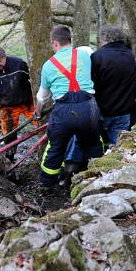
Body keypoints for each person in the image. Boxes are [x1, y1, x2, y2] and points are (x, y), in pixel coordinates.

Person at [34, 25, 103, 187]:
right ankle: (97, 177)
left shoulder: (48, 65)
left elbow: (42, 97)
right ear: (69, 40)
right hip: (88, 108)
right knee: (93, 144)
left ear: (55, 43)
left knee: (55, 148)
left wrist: (37, 113)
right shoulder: (85, 52)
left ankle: (46, 184)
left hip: (63, 112)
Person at [0, 46, 34, 159]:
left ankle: (47, 145)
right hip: (8, 107)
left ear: (4, 57)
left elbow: (34, 79)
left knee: (42, 122)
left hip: (28, 102)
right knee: (8, 134)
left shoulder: (19, 64)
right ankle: (10, 157)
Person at [91, 26, 136, 145]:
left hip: (102, 110)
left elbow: (91, 83)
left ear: (104, 39)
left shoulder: (97, 56)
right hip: (124, 110)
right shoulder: (130, 56)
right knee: (118, 146)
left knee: (94, 144)